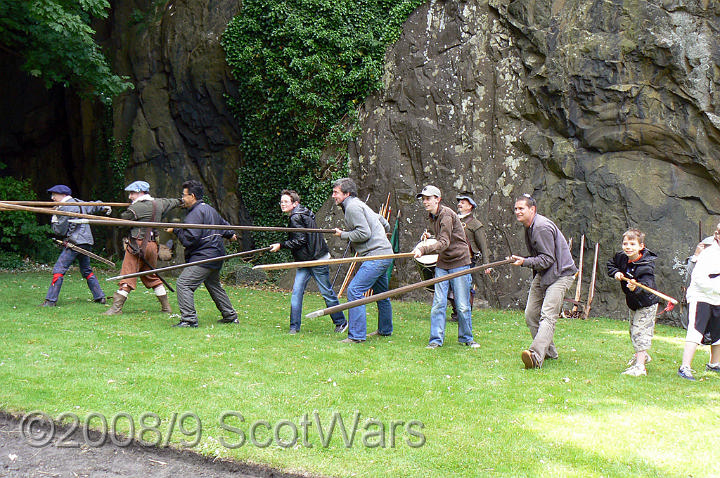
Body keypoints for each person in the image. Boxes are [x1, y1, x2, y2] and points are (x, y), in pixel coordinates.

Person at [511, 194, 577, 369]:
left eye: (521, 209)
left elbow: (548, 259)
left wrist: (525, 262)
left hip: (561, 274)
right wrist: (526, 261)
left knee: (548, 315)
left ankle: (535, 356)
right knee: (531, 314)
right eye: (516, 208)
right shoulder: (529, 226)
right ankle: (549, 352)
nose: (517, 212)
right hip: (545, 274)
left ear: (532, 209)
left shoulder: (540, 227)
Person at [269, 190, 347, 334]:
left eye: (286, 202)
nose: (282, 204)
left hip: (316, 259)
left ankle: (341, 322)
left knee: (326, 292)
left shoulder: (296, 217)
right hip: (306, 260)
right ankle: (294, 327)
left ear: (295, 203)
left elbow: (300, 240)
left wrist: (281, 245)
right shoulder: (304, 213)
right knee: (297, 292)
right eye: (281, 202)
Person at [413, 185, 480, 349]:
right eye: (423, 199)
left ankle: (467, 338)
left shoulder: (446, 215)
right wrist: (429, 236)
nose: (425, 202)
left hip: (459, 262)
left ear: (438, 199)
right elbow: (442, 235)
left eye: (428, 198)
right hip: (443, 263)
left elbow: (444, 243)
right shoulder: (433, 216)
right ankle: (435, 340)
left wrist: (423, 249)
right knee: (438, 303)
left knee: (462, 305)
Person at [166, 180, 238, 328]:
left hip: (204, 257)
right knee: (213, 284)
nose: (182, 199)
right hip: (217, 255)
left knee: (183, 284)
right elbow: (226, 227)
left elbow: (190, 239)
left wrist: (176, 230)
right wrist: (230, 235)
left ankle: (189, 320)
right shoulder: (210, 209)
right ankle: (230, 316)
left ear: (192, 196)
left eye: (184, 195)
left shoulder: (195, 213)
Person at [104, 181, 181, 315]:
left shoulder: (137, 208)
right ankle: (166, 308)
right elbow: (173, 202)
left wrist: (109, 213)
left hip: (137, 246)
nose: (130, 197)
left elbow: (121, 222)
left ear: (141, 192)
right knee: (151, 276)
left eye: (132, 193)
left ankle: (116, 309)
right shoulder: (159, 203)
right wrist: (181, 201)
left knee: (128, 275)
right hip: (152, 246)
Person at [332, 178, 393, 343]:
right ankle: (385, 330)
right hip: (385, 253)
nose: (333, 196)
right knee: (382, 294)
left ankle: (356, 336)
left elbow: (364, 233)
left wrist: (342, 235)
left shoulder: (352, 207)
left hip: (376, 257)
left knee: (354, 291)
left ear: (347, 193)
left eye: (336, 192)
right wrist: (380, 235)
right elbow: (384, 223)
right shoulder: (359, 204)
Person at [40, 185, 110, 306]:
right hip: (86, 242)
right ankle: (100, 297)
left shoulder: (64, 208)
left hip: (75, 243)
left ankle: (50, 301)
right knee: (86, 270)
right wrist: (103, 207)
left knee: (58, 270)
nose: (52, 198)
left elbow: (59, 231)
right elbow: (94, 205)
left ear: (63, 195)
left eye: (54, 195)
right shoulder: (80, 203)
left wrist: (55, 216)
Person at [606, 229, 659, 376]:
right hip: (633, 303)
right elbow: (611, 264)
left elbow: (647, 286)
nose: (628, 247)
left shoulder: (646, 265)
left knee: (640, 333)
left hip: (647, 304)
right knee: (632, 332)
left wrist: (636, 287)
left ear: (641, 246)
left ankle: (640, 367)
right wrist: (616, 272)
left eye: (632, 244)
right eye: (625, 243)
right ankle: (643, 355)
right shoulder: (621, 257)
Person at [677, 222, 720, 380]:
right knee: (695, 331)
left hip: (718, 299)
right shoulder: (708, 254)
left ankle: (714, 364)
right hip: (701, 296)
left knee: (718, 331)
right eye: (717, 232)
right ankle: (685, 367)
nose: (717, 236)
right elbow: (699, 278)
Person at [447, 191, 491, 321]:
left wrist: (486, 263)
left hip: (468, 260)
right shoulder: (452, 221)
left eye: (463, 202)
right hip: (452, 258)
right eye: (459, 202)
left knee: (464, 287)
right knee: (451, 287)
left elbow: (483, 246)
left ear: (470, 206)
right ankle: (456, 313)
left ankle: (464, 313)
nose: (459, 204)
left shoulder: (476, 224)